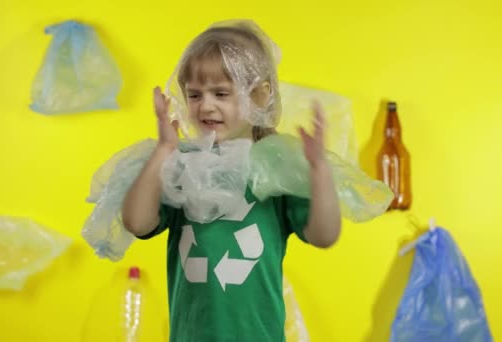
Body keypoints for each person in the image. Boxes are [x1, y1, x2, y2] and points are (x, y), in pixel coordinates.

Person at [121, 20, 340, 341]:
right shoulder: (183, 166)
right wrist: (164, 149)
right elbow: (136, 222)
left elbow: (324, 235)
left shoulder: (273, 170)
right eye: (194, 94)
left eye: (221, 93)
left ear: (260, 95)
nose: (205, 105)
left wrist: (319, 171)